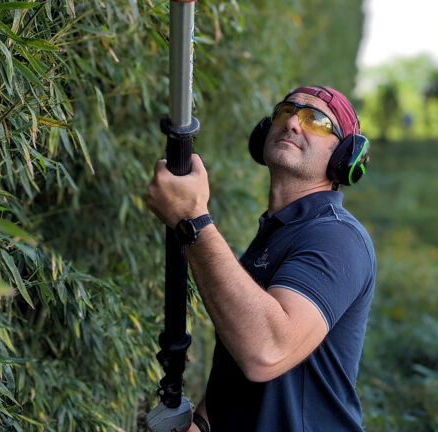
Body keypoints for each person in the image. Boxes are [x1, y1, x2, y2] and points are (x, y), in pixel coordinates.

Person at [146, 85, 376, 431]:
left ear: (344, 156)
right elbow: (239, 344)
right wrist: (203, 424)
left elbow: (266, 350)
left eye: (316, 120)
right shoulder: (276, 232)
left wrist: (192, 219)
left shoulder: (338, 238)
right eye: (286, 111)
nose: (293, 124)